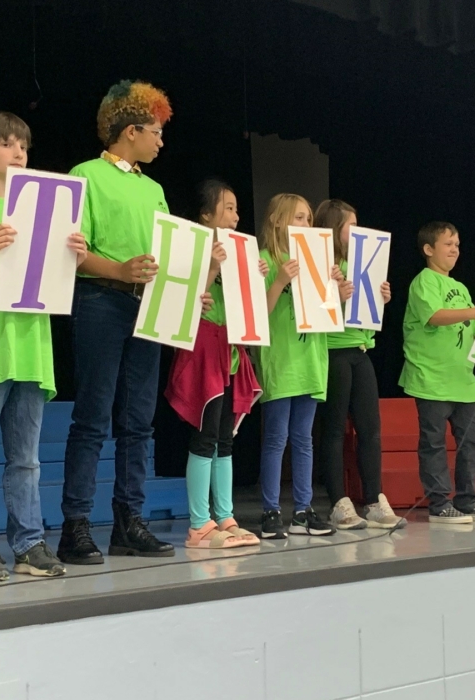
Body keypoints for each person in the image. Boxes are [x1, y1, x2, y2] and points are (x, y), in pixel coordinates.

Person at [0, 111, 85, 581]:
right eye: (7, 144)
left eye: (23, 146)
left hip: (31, 344)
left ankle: (29, 543)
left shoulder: (46, 210)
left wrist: (73, 257)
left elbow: (53, 279)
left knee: (26, 457)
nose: (19, 153)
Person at [58, 80, 184, 564]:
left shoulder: (154, 189)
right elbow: (73, 251)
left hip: (147, 307)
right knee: (93, 416)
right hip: (100, 301)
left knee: (138, 421)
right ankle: (75, 525)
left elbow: (169, 255)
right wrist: (119, 269)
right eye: (155, 131)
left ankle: (129, 521)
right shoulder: (85, 175)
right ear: (131, 131)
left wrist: (189, 288)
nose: (161, 141)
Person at [165, 180, 263, 549]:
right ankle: (198, 524)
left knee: (225, 438)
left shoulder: (238, 254)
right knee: (205, 437)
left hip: (230, 350)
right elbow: (179, 302)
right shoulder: (192, 249)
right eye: (228, 208)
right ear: (206, 215)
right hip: (203, 348)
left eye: (237, 209)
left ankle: (225, 515)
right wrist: (210, 267)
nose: (236, 217)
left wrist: (257, 278)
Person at [256, 193, 350, 538]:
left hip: (311, 359)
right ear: (277, 221)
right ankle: (270, 511)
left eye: (309, 218)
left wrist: (338, 294)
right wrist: (280, 280)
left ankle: (302, 510)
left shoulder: (318, 262)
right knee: (276, 438)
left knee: (304, 439)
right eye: (299, 217)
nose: (306, 224)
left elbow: (328, 315)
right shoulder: (264, 259)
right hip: (281, 360)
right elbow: (257, 313)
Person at [399, 222, 475, 524]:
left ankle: (467, 499)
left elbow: (473, 327)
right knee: (434, 442)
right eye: (448, 244)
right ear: (429, 249)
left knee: (472, 439)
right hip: (431, 377)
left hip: (462, 379)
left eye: (457, 244)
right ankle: (439, 503)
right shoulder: (424, 281)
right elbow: (434, 316)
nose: (455, 249)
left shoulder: (460, 287)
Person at [314, 200, 406, 530]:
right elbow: (310, 308)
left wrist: (380, 298)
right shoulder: (321, 262)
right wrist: (333, 294)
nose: (355, 231)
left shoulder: (362, 262)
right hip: (333, 350)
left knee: (370, 429)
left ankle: (374, 500)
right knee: (334, 429)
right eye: (349, 226)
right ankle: (339, 502)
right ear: (332, 227)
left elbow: (365, 308)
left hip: (361, 349)